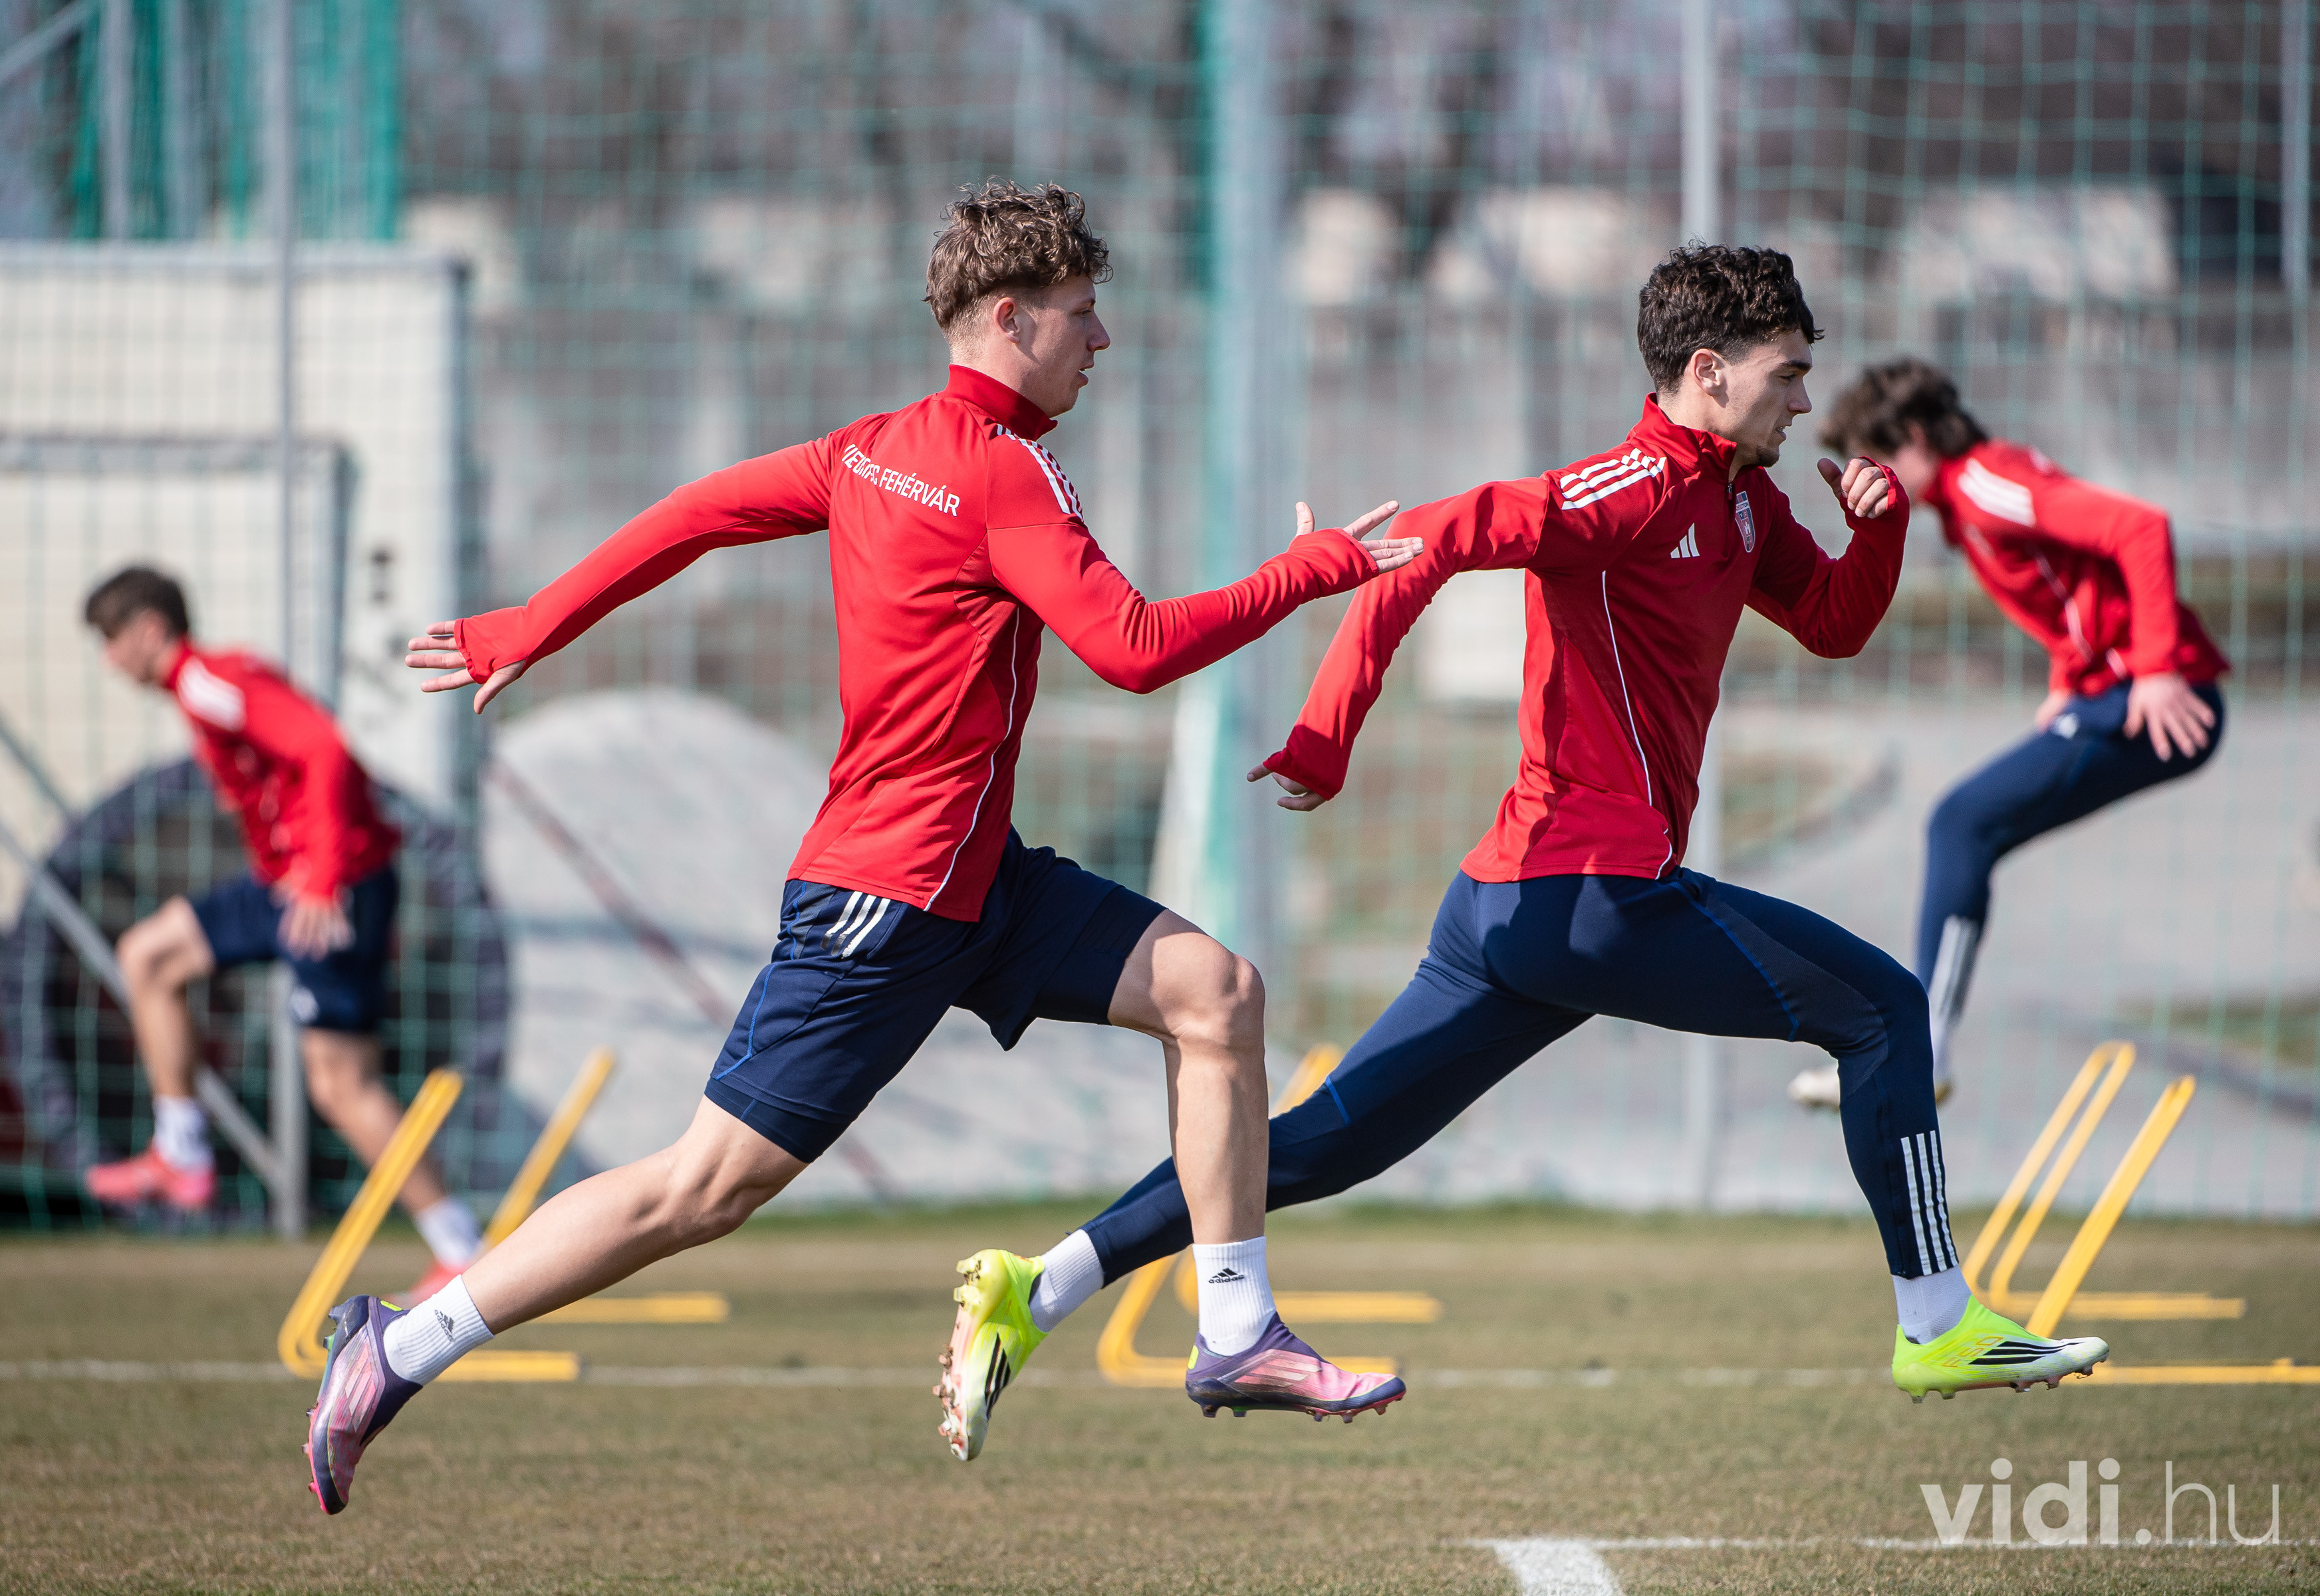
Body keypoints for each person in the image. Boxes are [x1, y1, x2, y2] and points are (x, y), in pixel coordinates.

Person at [302, 180, 1423, 1514]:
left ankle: (1235, 1328)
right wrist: (1311, 573)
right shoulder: (1002, 469)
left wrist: (533, 623)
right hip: (886, 902)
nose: (1101, 339)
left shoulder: (871, 448)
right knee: (699, 1191)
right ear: (1008, 319)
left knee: (1216, 994)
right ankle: (402, 1347)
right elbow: (1131, 650)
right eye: (1080, 313)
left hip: (975, 880)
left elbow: (695, 511)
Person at [946, 245, 2111, 1427]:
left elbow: (1831, 624)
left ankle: (1041, 1287)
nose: (1806, 403)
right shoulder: (1626, 489)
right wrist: (1328, 729)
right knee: (1886, 1009)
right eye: (1789, 375)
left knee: (1320, 1147)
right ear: (1709, 372)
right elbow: (1427, 541)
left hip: (1513, 910)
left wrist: (1881, 533)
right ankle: (1938, 1319)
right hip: (1588, 897)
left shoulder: (1743, 502)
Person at [1786, 358, 2228, 1109]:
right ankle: (1918, 1048)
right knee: (1965, 825)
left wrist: (2157, 669)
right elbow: (2072, 589)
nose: (1871, 479)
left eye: (1877, 458)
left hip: (2159, 699)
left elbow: (2139, 528)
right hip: (2111, 691)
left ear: (1916, 437)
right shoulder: (1963, 507)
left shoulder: (1986, 484)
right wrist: (2069, 680)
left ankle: (1921, 1051)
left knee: (1962, 823)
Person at [80, 567, 482, 1300]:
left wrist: (324, 878)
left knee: (341, 1084)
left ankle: (461, 1249)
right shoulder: (201, 688)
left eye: (110, 641)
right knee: (148, 957)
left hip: (332, 886)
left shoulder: (207, 681)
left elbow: (325, 747)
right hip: (283, 884)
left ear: (148, 629)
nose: (107, 661)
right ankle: (181, 1150)